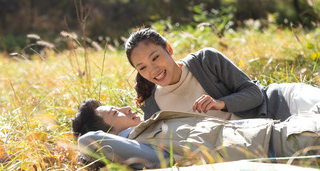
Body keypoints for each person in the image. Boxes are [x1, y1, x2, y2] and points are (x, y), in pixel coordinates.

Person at [125, 28, 320, 120]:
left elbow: (255, 94)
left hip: (280, 103)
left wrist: (222, 103)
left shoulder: (205, 61)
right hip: (271, 136)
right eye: (142, 67)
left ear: (168, 48)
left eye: (155, 57)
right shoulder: (154, 108)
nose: (153, 70)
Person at [72, 98, 320, 170]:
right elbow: (87, 141)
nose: (126, 108)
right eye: (116, 113)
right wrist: (88, 156)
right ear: (111, 135)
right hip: (286, 144)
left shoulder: (150, 130)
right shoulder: (144, 149)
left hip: (284, 128)